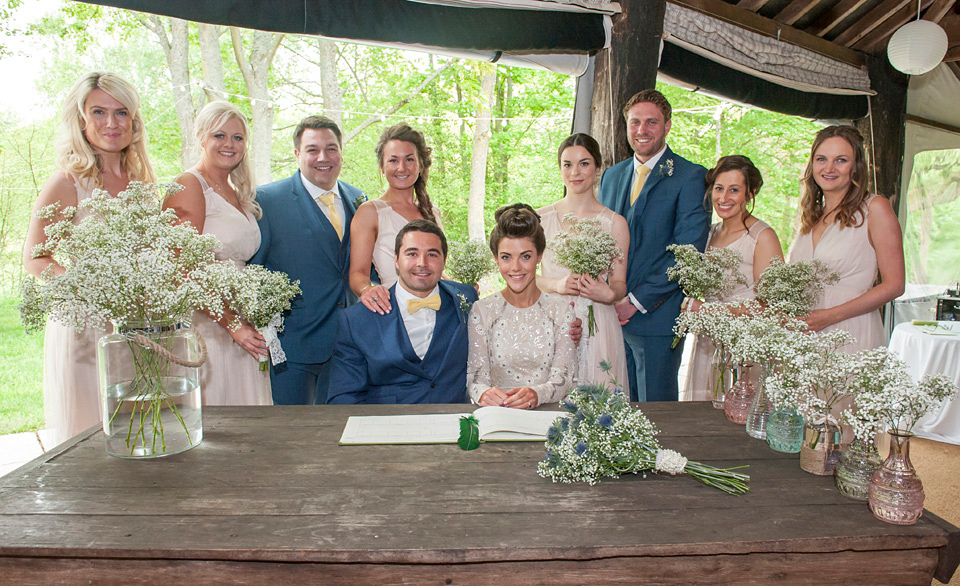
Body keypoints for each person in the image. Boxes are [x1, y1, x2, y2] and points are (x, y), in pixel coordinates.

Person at [22, 72, 156, 446]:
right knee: (90, 435)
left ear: (134, 121)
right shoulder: (66, 182)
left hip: (137, 322)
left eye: (121, 112)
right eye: (99, 111)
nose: (111, 123)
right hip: (85, 325)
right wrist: (89, 289)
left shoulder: (143, 182)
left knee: (142, 430)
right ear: (81, 120)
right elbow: (35, 258)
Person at [597, 89, 710, 402]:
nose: (641, 130)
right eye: (635, 123)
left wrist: (633, 300)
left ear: (667, 126)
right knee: (616, 410)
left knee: (658, 415)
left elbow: (688, 254)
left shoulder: (691, 177)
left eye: (651, 122)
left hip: (657, 319)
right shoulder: (611, 176)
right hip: (610, 317)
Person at [250, 116, 364, 405]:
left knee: (339, 433)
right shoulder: (267, 201)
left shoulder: (358, 198)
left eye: (331, 148)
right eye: (312, 149)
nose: (323, 157)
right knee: (293, 437)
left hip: (348, 346)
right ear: (297, 154)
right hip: (294, 348)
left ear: (341, 152)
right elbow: (254, 271)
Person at [163, 101, 271, 406]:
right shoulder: (189, 185)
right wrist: (232, 324)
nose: (229, 144)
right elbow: (181, 268)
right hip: (208, 321)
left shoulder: (237, 193)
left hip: (242, 318)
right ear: (201, 138)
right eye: (219, 136)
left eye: (238, 138)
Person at [328, 220, 478, 404]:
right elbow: (344, 396)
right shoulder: (356, 320)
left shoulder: (467, 298)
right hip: (388, 423)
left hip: (454, 420)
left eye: (432, 254)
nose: (422, 263)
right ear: (396, 260)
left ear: (444, 261)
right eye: (412, 254)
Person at [788, 125, 904, 353]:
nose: (829, 168)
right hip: (804, 336)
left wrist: (829, 316)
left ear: (856, 167)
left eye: (840, 160)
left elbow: (895, 285)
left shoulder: (875, 208)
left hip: (850, 331)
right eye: (822, 159)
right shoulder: (811, 215)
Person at [681, 155, 784, 401]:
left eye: (734, 190)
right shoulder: (709, 233)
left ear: (750, 193)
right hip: (709, 343)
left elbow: (769, 306)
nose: (723, 198)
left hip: (746, 344)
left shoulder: (763, 236)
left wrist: (711, 311)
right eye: (718, 188)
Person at [538, 133, 629, 388]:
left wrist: (608, 294)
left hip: (599, 322)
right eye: (567, 164)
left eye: (584, 163)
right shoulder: (540, 219)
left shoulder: (615, 223)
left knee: (599, 400)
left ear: (598, 167)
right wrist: (557, 285)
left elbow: (620, 282)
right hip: (552, 320)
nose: (575, 172)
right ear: (559, 169)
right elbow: (520, 276)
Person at [469, 204, 578, 408]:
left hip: (548, 416)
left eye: (525, 256)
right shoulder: (482, 310)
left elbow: (563, 380)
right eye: (506, 257)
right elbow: (476, 378)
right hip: (497, 415)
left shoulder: (561, 311)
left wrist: (537, 394)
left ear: (539, 256)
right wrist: (483, 393)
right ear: (496, 259)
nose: (516, 267)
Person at [349, 123, 442, 316]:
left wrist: (462, 291)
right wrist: (368, 291)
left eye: (409, 159)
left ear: (420, 164)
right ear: (382, 167)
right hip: (393, 313)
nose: (401, 168)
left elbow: (434, 272)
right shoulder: (370, 212)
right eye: (393, 160)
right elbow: (358, 274)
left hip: (437, 312)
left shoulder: (432, 212)